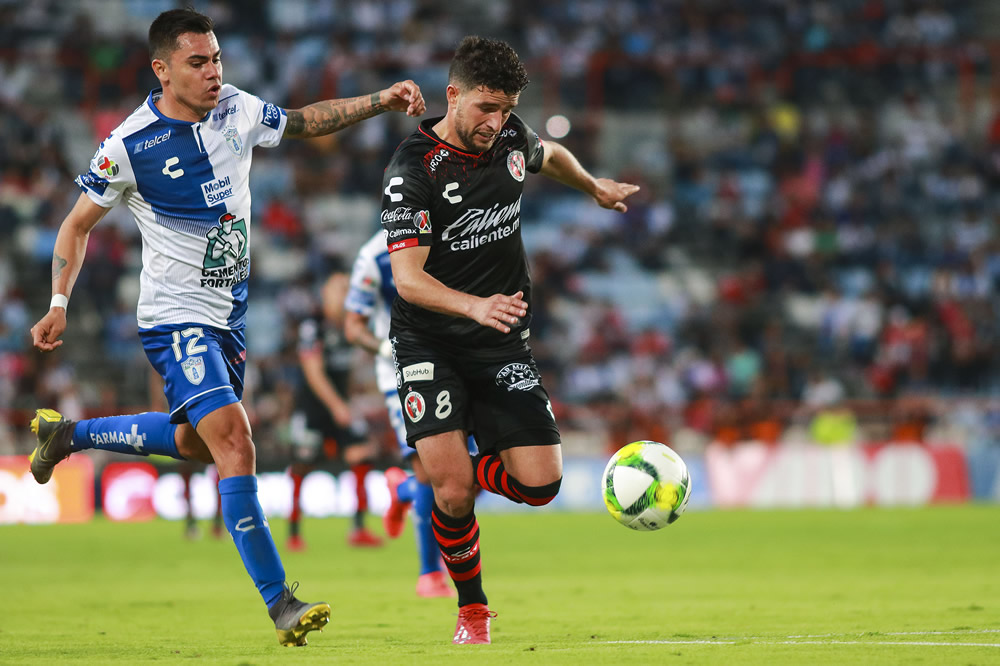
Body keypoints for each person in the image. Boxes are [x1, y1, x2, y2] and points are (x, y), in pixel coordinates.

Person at [27, 7, 424, 647]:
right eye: (197, 62)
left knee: (194, 445)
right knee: (236, 442)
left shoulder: (236, 108)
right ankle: (280, 602)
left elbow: (301, 122)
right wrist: (59, 302)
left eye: (216, 58)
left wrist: (382, 100)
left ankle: (66, 436)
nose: (214, 72)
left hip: (229, 316)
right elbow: (76, 225)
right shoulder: (127, 145)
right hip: (173, 318)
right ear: (161, 69)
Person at [379, 36, 638, 644]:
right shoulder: (410, 170)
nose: (496, 123)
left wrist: (594, 186)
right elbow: (409, 281)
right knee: (455, 492)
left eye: (507, 108)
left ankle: (439, 474)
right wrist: (474, 305)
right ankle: (472, 609)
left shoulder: (513, 138)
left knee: (541, 486)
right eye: (485, 108)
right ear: (454, 95)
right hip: (432, 343)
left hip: (501, 343)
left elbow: (554, 153)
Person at [343, 230, 477, 598]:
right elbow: (352, 325)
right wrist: (382, 347)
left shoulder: (454, 234)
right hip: (404, 370)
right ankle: (429, 574)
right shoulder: (373, 256)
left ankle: (401, 489)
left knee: (464, 477)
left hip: (460, 362)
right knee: (427, 468)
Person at [287, 272, 383, 551]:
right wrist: (337, 406)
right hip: (313, 407)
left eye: (347, 288)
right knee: (302, 464)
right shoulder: (313, 326)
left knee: (362, 452)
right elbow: (313, 372)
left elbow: (349, 369)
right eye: (339, 288)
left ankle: (359, 529)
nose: (345, 293)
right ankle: (294, 532)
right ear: (326, 295)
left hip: (341, 404)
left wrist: (352, 397)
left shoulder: (351, 327)